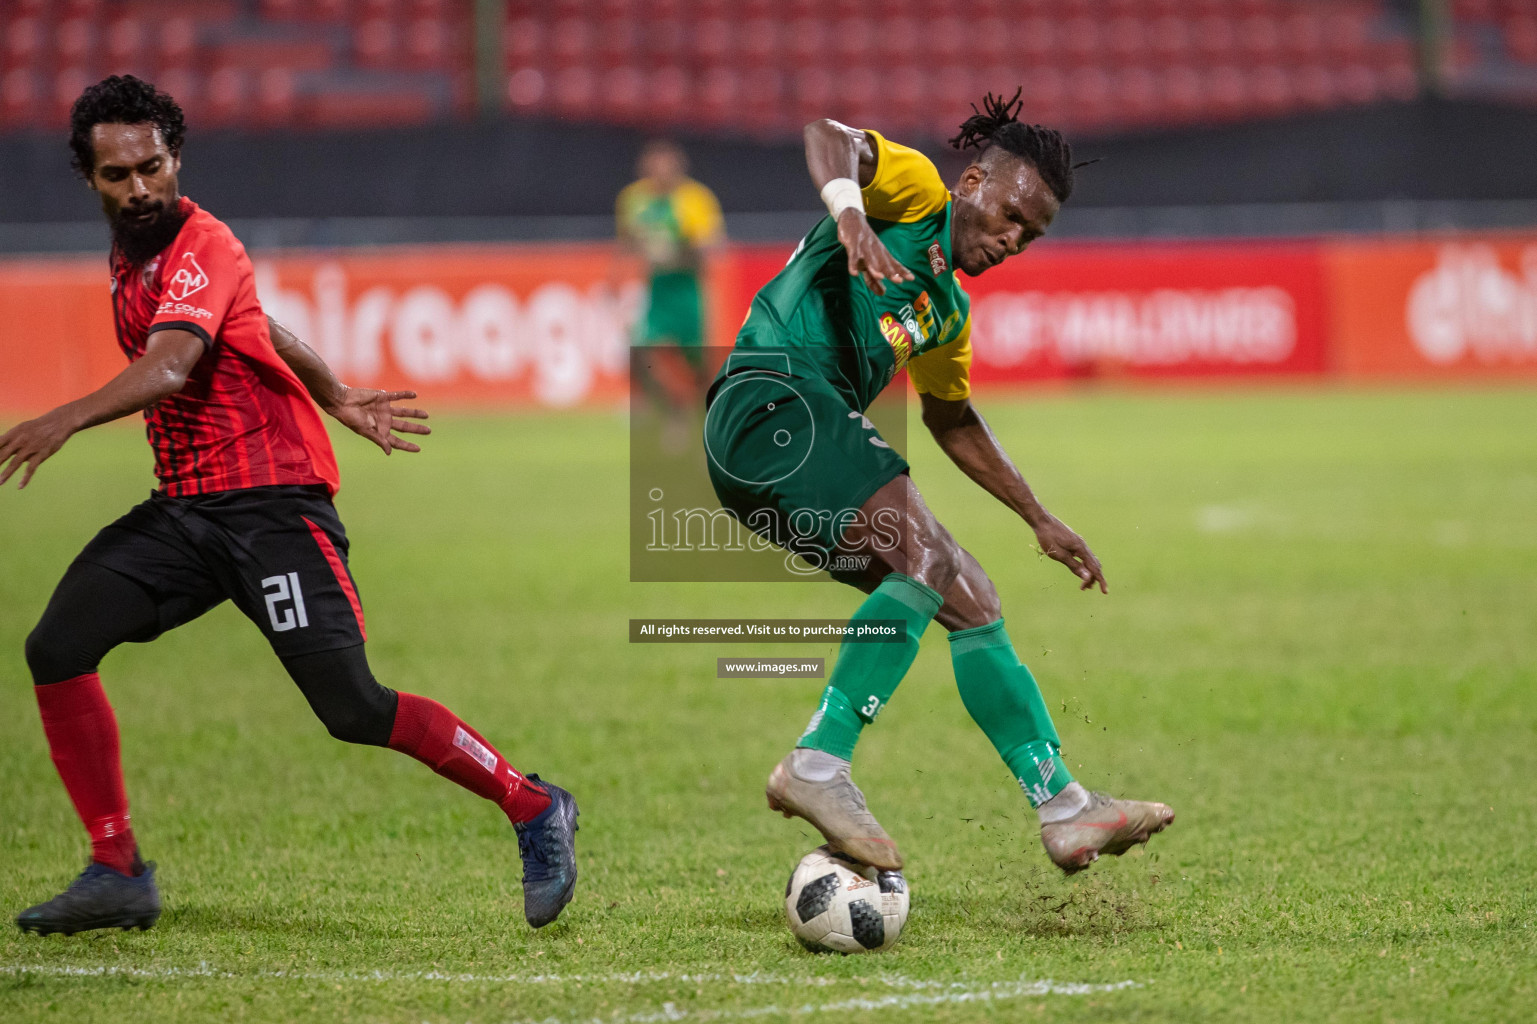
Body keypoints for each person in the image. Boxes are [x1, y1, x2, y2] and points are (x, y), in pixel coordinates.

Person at [2, 76, 578, 936]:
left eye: (151, 166)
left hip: (273, 507)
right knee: (57, 646)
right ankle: (116, 868)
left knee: (353, 709)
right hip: (187, 512)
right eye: (117, 174)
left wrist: (63, 418)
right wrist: (337, 391)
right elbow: (260, 326)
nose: (139, 188)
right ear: (89, 179)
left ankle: (533, 806)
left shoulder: (201, 240)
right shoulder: (137, 255)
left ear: (176, 158)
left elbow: (169, 368)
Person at [703, 90, 1175, 875]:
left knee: (969, 595)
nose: (1014, 238)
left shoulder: (945, 310)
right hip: (770, 399)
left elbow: (951, 419)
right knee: (924, 558)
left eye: (1031, 233)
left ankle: (1062, 805)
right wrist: (851, 220)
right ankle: (817, 764)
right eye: (1010, 215)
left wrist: (1039, 518)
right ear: (972, 185)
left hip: (783, 446)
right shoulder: (914, 191)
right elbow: (827, 136)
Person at [616, 139, 725, 408]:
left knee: (697, 359)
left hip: (689, 288)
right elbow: (626, 242)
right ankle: (670, 406)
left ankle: (708, 406)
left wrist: (681, 248)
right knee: (644, 349)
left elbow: (714, 245)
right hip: (657, 288)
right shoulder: (634, 199)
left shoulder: (694, 198)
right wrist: (614, 279)